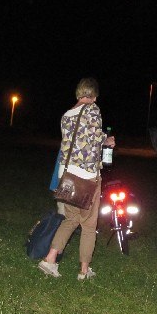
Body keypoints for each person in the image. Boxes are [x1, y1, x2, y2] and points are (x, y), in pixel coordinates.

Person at [38, 77, 115, 280]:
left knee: (70, 219)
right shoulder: (93, 110)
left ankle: (49, 260)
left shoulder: (66, 115)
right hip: (87, 177)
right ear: (93, 95)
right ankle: (84, 271)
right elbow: (94, 139)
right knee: (88, 225)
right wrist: (107, 140)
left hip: (67, 176)